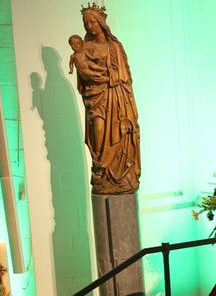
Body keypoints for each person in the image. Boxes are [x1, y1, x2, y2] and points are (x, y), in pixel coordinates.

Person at [71, 3, 140, 194]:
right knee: (98, 135)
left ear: (101, 23)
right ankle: (101, 170)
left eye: (92, 22)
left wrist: (110, 79)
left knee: (118, 133)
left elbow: (124, 77)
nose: (89, 27)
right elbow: (82, 74)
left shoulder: (114, 46)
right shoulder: (85, 47)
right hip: (95, 99)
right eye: (86, 24)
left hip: (115, 97)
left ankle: (117, 175)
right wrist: (94, 78)